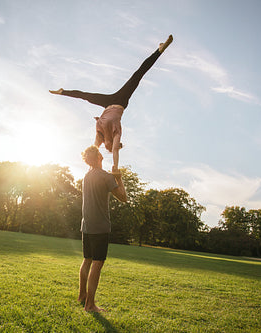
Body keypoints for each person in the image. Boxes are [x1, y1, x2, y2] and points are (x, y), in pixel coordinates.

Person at [50, 35, 173, 174]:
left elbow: (92, 150)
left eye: (106, 146)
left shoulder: (100, 137)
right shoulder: (116, 136)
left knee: (86, 96)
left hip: (107, 103)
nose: (106, 146)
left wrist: (90, 167)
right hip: (121, 101)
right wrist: (115, 167)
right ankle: (160, 50)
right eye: (109, 147)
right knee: (137, 76)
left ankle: (62, 92)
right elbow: (115, 150)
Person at [78, 145, 127, 312]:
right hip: (100, 227)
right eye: (99, 152)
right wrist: (118, 178)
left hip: (86, 225)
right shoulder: (106, 177)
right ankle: (90, 305)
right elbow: (123, 198)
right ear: (99, 156)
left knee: (87, 260)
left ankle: (82, 296)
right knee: (97, 264)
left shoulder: (86, 176)